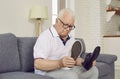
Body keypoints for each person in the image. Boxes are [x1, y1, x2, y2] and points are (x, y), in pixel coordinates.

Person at [33, 8, 98, 79]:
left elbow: (74, 60)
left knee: (93, 70)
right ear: (57, 21)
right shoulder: (45, 37)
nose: (68, 29)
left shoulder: (70, 37)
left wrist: (85, 62)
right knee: (71, 76)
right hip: (46, 72)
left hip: (66, 70)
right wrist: (59, 63)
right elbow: (38, 64)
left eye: (70, 26)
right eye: (65, 25)